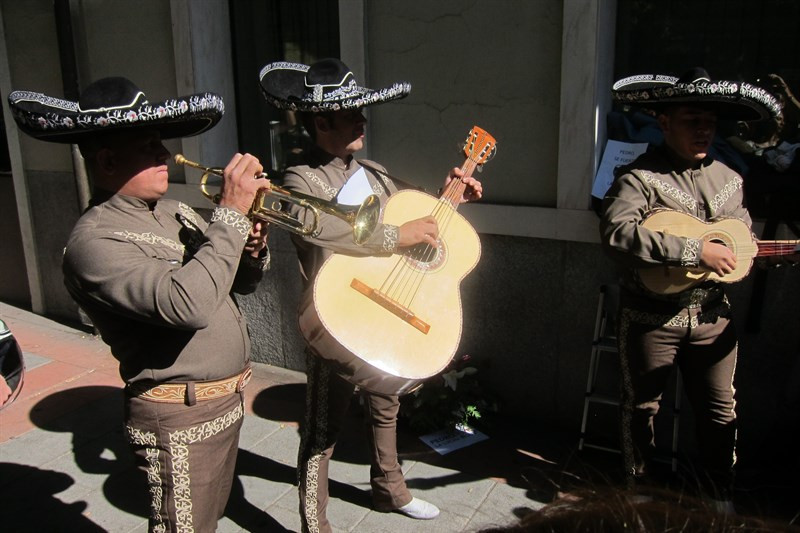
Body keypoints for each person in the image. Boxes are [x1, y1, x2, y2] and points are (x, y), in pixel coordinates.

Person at [8, 77, 272, 532]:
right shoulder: (94, 243)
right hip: (178, 421)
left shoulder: (176, 212)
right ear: (108, 160)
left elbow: (234, 286)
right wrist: (229, 215)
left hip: (225, 404)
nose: (165, 155)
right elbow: (188, 305)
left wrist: (248, 247)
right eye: (149, 146)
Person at [259, 58, 483, 533]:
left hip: (386, 307)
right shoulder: (300, 179)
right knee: (323, 427)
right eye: (350, 114)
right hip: (338, 315)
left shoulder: (375, 172)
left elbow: (418, 217)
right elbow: (324, 229)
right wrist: (395, 234)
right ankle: (313, 522)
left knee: (387, 408)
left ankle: (390, 491)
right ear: (321, 122)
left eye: (362, 112)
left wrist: (449, 194)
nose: (362, 121)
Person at [600, 68, 788, 511]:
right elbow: (616, 233)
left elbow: (740, 236)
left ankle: (719, 497)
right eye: (691, 120)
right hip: (651, 318)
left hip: (712, 318)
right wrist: (692, 251)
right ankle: (639, 494)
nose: (703, 129)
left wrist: (747, 251)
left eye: (709, 121)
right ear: (665, 123)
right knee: (641, 408)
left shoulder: (729, 178)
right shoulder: (638, 177)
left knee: (720, 412)